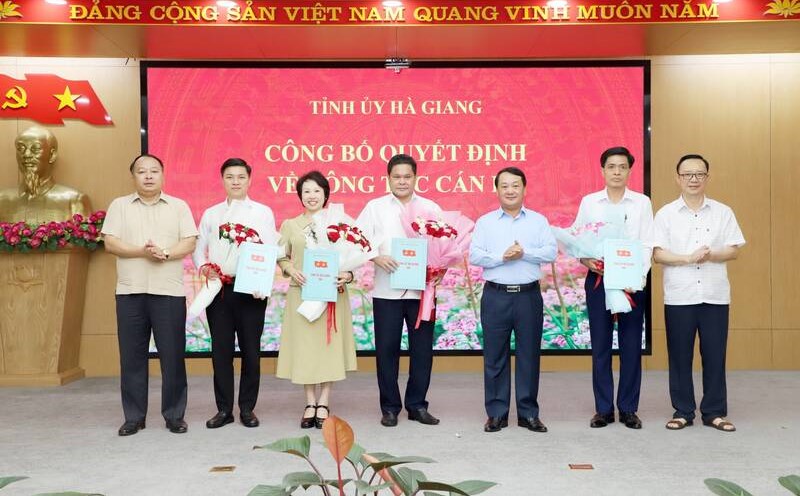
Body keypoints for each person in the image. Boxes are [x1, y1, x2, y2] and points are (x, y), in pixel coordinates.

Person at [101, 154, 198, 436]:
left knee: (172, 356)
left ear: (163, 175)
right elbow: (110, 243)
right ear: (133, 176)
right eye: (142, 171)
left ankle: (174, 415)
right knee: (132, 356)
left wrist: (165, 253)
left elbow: (189, 241)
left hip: (168, 291)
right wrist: (141, 252)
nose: (148, 176)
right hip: (130, 291)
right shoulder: (119, 206)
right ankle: (134, 416)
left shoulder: (178, 206)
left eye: (154, 171)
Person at [653, 154, 744, 433]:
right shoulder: (666, 214)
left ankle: (714, 411)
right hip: (680, 296)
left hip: (715, 296)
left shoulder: (723, 211)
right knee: (679, 355)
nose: (693, 179)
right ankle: (682, 411)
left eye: (699, 174)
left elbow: (734, 249)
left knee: (715, 354)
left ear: (707, 177)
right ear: (677, 178)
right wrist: (688, 258)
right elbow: (657, 254)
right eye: (687, 174)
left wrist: (711, 254)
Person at [356, 154, 443, 427]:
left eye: (407, 176)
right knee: (387, 350)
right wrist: (375, 257)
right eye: (397, 177)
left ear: (416, 178)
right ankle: (390, 407)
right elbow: (358, 239)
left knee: (422, 351)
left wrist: (441, 270)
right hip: (387, 292)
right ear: (388, 178)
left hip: (422, 293)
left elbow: (444, 245)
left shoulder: (430, 207)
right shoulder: (375, 207)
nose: (402, 181)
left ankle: (417, 405)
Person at [469, 167, 557, 433]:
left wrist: (524, 252)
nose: (510, 190)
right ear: (496, 190)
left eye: (515, 185)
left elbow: (551, 252)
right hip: (496, 296)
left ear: (524, 188)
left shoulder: (538, 221)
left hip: (528, 296)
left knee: (529, 355)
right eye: (504, 186)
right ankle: (497, 413)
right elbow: (475, 255)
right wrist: (502, 257)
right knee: (494, 356)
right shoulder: (485, 222)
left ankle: (528, 413)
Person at [572, 147, 653, 430]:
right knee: (601, 346)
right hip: (598, 280)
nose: (617, 171)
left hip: (633, 283)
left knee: (631, 346)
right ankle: (603, 409)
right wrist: (587, 260)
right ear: (603, 170)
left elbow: (646, 243)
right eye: (611, 166)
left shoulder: (641, 203)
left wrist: (636, 277)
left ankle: (629, 408)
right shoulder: (590, 202)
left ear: (630, 170)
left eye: (622, 166)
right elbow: (577, 239)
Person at [192, 158, 277, 429]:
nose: (236, 181)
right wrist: (203, 266)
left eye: (241, 177)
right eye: (230, 177)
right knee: (221, 352)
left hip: (250, 291)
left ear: (250, 180)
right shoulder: (212, 214)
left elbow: (269, 249)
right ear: (223, 180)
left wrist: (262, 284)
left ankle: (247, 408)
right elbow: (198, 247)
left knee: (251, 351)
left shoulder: (262, 212)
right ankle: (224, 409)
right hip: (220, 291)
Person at [276, 170, 357, 429]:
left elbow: (355, 256)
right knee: (306, 349)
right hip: (302, 293)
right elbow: (281, 256)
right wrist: (290, 270)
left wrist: (348, 274)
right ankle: (309, 401)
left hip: (332, 294)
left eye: (317, 191)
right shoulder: (290, 225)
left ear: (326, 195)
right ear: (300, 195)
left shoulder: (340, 223)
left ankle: (324, 401)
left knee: (328, 348)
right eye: (306, 191)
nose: (312, 196)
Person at [0, 126, 91, 224]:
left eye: (35, 149)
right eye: (20, 149)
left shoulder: (74, 200)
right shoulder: (2, 200)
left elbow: (82, 237)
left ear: (52, 155)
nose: (26, 155)